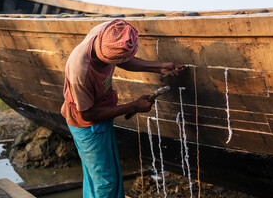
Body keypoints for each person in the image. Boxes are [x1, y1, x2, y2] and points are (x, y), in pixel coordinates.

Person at [61, 19, 183, 198]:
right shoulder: (80, 70)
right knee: (105, 182)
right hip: (87, 126)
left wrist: (159, 67)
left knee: (103, 177)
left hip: (102, 113)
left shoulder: (108, 33)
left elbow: (122, 59)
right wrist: (133, 106)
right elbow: (87, 114)